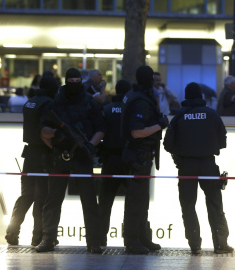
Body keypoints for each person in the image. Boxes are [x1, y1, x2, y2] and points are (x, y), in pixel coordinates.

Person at [35, 68, 105, 254]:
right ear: (66, 81)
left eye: (77, 80)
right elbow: (43, 131)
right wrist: (57, 137)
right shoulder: (56, 103)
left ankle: (93, 242)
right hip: (60, 155)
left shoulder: (89, 103)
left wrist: (89, 145)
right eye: (71, 80)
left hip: (82, 156)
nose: (74, 83)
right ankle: (48, 238)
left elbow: (100, 128)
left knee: (89, 201)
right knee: (53, 200)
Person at [164, 82, 233, 255]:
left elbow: (167, 143)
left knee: (188, 206)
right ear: (201, 96)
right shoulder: (211, 114)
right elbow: (223, 140)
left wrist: (182, 152)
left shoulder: (179, 116)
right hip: (208, 165)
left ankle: (195, 245)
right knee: (215, 204)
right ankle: (220, 244)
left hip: (186, 166)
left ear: (186, 97)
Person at [120, 65, 169, 254]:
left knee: (142, 201)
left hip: (138, 156)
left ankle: (142, 238)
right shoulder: (140, 100)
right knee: (136, 201)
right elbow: (137, 132)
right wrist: (160, 125)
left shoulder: (134, 95)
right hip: (138, 156)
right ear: (149, 80)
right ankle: (132, 241)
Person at [5, 76, 58, 246]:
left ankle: (12, 230)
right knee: (41, 198)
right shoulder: (49, 103)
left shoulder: (30, 102)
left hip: (28, 154)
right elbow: (44, 130)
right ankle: (38, 237)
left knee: (26, 195)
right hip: (43, 154)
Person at [97, 79, 131, 246]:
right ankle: (131, 239)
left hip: (110, 159)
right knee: (133, 202)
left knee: (104, 202)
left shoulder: (106, 109)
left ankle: (100, 237)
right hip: (129, 160)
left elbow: (99, 132)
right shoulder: (131, 109)